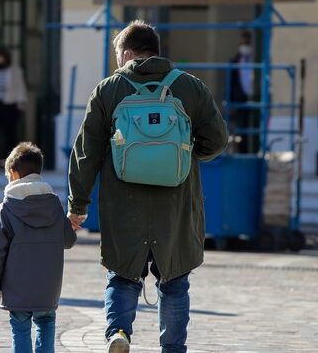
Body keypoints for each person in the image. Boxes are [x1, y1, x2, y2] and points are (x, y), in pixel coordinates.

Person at [67, 20, 227, 353]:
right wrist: (185, 154)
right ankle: (172, 349)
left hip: (124, 202)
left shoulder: (108, 89)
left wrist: (78, 203)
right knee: (175, 282)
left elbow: (86, 152)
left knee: (123, 277)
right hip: (177, 202)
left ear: (126, 53)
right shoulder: (190, 87)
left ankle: (119, 334)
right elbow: (217, 140)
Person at [0, 142, 76, 353]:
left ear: (13, 173)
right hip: (48, 285)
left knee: (20, 328)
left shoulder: (6, 207)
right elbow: (68, 241)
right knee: (46, 324)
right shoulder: (53, 203)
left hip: (17, 285)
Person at [229, 31, 255, 153]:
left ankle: (249, 151)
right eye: (243, 42)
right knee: (240, 129)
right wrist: (231, 102)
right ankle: (241, 153)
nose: (245, 45)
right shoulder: (235, 60)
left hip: (252, 99)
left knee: (250, 128)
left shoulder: (254, 59)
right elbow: (231, 83)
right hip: (239, 100)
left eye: (247, 42)